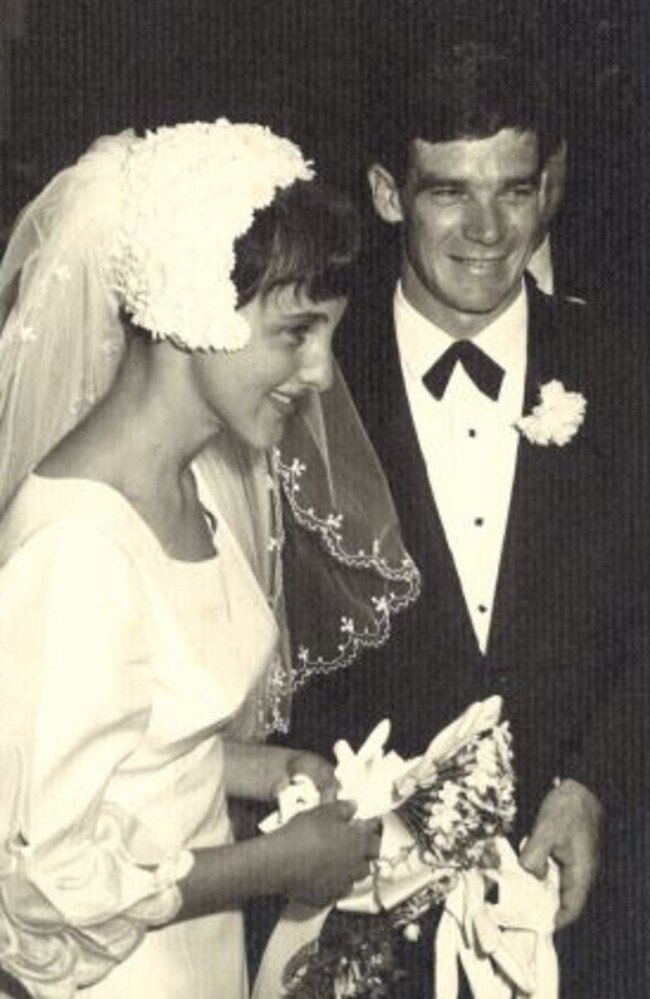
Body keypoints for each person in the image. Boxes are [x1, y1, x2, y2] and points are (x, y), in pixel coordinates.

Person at [0, 120, 421, 998]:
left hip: (197, 956)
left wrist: (271, 770)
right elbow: (40, 879)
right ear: (192, 310)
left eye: (329, 336)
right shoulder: (74, 548)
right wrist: (278, 863)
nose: (318, 373)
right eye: (294, 333)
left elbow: (140, 738)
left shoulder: (193, 482)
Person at [286, 42, 650, 994]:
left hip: (593, 914)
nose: (489, 229)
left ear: (551, 186)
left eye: (516, 191)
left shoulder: (624, 366)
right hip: (358, 922)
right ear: (384, 192)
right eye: (450, 191)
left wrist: (594, 782)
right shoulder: (303, 381)